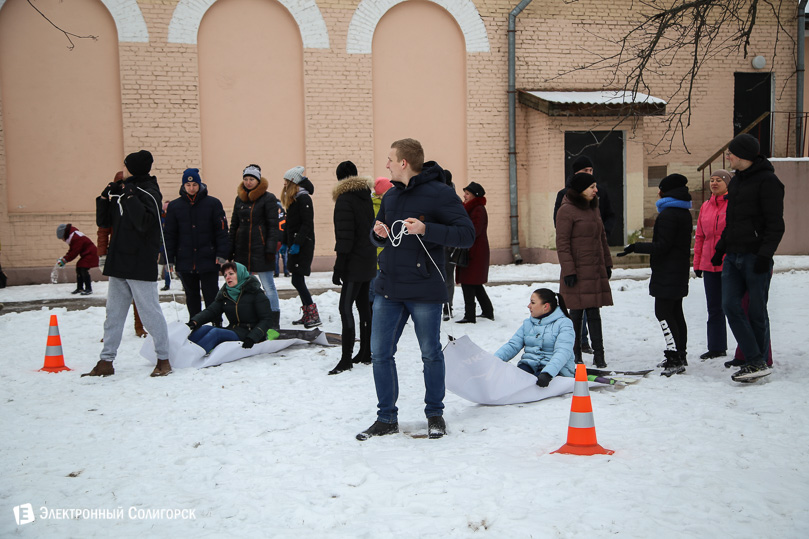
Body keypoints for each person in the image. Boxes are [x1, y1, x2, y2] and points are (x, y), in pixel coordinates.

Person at [356, 138, 475, 441]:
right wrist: (378, 233)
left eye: (390, 159)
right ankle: (386, 418)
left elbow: (466, 235)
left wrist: (427, 229)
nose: (386, 165)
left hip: (424, 289)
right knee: (380, 353)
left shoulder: (440, 193)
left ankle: (435, 415)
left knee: (430, 354)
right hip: (389, 288)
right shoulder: (392, 196)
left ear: (404, 163)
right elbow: (381, 235)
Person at [83, 150, 172, 377]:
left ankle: (163, 359)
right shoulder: (125, 190)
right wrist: (104, 198)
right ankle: (106, 361)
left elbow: (144, 222)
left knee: (150, 313)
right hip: (119, 261)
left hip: (140, 263)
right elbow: (104, 221)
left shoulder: (149, 192)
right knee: (113, 314)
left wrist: (131, 196)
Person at [711, 133, 785, 382]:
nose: (728, 156)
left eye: (731, 152)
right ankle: (754, 359)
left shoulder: (769, 182)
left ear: (742, 155)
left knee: (756, 311)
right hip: (733, 256)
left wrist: (765, 255)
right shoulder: (738, 181)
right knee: (730, 305)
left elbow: (776, 225)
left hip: (756, 258)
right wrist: (721, 248)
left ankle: (757, 362)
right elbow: (732, 221)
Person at [618, 174, 693, 376]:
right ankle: (680, 353)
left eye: (659, 188)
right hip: (677, 271)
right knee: (676, 313)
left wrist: (636, 246)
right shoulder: (683, 211)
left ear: (665, 191)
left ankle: (675, 357)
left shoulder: (669, 214)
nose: (657, 192)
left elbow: (663, 246)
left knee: (664, 313)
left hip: (668, 272)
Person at [553, 155, 615, 354]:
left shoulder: (594, 206)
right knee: (576, 313)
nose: (596, 190)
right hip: (578, 269)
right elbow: (562, 242)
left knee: (594, 312)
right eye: (592, 186)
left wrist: (607, 263)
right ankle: (576, 353)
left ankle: (599, 355)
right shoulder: (566, 209)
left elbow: (602, 238)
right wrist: (569, 270)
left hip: (594, 269)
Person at [328, 160, 377, 375]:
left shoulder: (344, 200)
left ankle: (346, 359)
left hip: (353, 263)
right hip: (367, 259)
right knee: (364, 308)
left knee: (345, 307)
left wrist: (339, 267)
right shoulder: (365, 196)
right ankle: (366, 351)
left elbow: (345, 237)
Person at [164, 167, 230, 321]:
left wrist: (221, 255)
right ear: (183, 186)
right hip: (185, 258)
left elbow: (221, 232)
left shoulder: (213, 203)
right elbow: (170, 235)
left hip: (208, 257)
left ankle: (216, 323)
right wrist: (169, 258)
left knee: (211, 294)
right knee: (191, 295)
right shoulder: (175, 206)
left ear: (200, 185)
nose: (192, 188)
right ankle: (195, 323)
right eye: (188, 185)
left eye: (194, 185)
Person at [229, 164, 281, 330]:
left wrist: (271, 249)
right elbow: (234, 225)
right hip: (242, 249)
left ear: (258, 180)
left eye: (251, 179)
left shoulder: (268, 198)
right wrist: (230, 248)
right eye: (246, 179)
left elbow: (273, 226)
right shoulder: (239, 199)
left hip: (262, 249)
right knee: (243, 287)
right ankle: (247, 319)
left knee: (268, 286)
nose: (248, 182)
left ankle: (273, 321)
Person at [96, 170, 147, 338]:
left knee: (138, 297)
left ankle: (139, 326)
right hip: (117, 255)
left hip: (135, 254)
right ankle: (111, 332)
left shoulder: (135, 200)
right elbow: (103, 230)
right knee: (115, 300)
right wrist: (102, 254)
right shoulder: (111, 204)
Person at [186, 262, 273, 353]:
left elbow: (267, 320)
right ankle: (183, 351)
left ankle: (193, 354)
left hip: (249, 334)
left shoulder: (256, 294)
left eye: (231, 274)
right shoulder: (226, 294)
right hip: (233, 330)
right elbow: (211, 311)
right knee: (203, 329)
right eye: (225, 275)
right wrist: (195, 321)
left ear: (240, 274)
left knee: (216, 333)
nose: (227, 277)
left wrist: (252, 337)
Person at [494, 288, 576, 386]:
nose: (528, 306)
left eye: (532, 303)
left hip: (554, 370)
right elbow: (513, 345)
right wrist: (494, 360)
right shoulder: (528, 323)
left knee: (532, 384)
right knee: (512, 381)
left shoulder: (564, 323)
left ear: (545, 306)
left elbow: (563, 352)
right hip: (529, 365)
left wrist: (548, 373)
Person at [693, 169, 732, 360]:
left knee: (733, 306)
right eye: (712, 180)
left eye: (719, 180)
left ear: (727, 183)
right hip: (709, 265)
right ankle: (716, 347)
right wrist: (698, 263)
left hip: (729, 263)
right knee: (714, 307)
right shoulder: (706, 206)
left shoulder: (733, 204)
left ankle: (743, 349)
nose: (714, 183)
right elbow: (700, 236)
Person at [280, 166, 321, 328]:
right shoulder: (294, 199)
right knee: (296, 279)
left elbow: (307, 224)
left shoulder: (304, 199)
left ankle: (312, 314)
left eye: (286, 181)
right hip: (295, 244)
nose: (284, 184)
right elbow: (289, 224)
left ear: (293, 182)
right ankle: (308, 313)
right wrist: (284, 241)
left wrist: (297, 243)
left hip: (303, 245)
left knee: (297, 280)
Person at [455, 181, 494, 323]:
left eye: (467, 193)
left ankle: (470, 315)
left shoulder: (477, 209)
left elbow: (474, 231)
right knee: (475, 283)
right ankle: (488, 311)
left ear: (474, 195)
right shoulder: (473, 208)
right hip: (474, 250)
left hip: (474, 253)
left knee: (468, 282)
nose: (464, 196)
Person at [368, 176, 393, 309]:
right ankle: (374, 313)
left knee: (379, 286)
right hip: (378, 254)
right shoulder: (378, 208)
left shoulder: (383, 205)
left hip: (384, 254)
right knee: (375, 288)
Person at [56, 223, 99, 295]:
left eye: (62, 238)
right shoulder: (73, 236)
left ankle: (88, 289)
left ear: (64, 234)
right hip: (87, 254)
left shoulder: (76, 238)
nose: (62, 240)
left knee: (83, 268)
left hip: (91, 254)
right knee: (79, 267)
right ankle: (80, 288)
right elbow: (72, 250)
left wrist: (65, 260)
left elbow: (74, 252)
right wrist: (64, 258)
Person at [274, 201, 289, 278]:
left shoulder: (273, 217)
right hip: (281, 239)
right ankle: (285, 272)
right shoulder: (284, 217)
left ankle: (278, 272)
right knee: (283, 256)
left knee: (278, 257)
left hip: (278, 239)